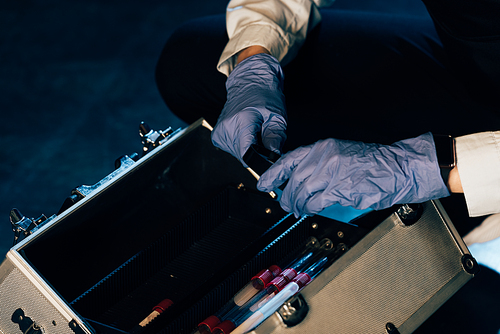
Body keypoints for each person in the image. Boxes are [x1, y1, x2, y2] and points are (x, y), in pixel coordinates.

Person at [156, 1, 500, 332]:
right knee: (188, 63)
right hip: (481, 69)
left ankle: (458, 224)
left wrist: (431, 168)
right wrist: (254, 60)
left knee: (446, 299)